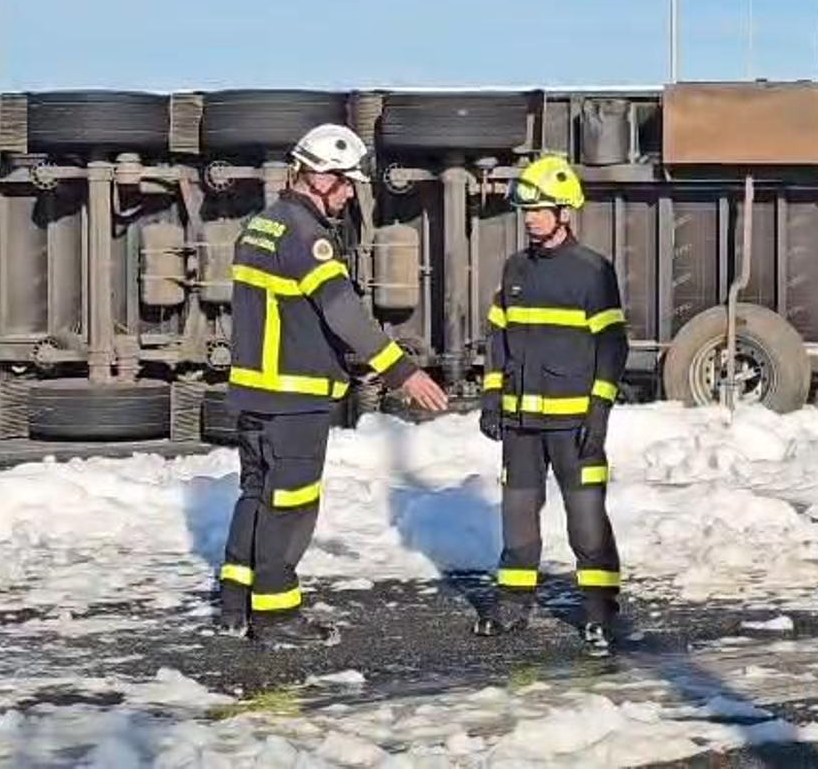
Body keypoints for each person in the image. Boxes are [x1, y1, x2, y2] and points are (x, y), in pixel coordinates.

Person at [218, 122, 449, 647]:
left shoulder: (260, 226)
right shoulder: (308, 239)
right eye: (343, 181)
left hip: (255, 393)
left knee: (255, 494)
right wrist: (401, 370)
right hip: (293, 396)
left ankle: (236, 603)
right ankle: (276, 614)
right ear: (315, 176)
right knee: (292, 501)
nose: (348, 192)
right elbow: (342, 311)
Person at [475, 154, 628, 654]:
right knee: (518, 517)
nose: (532, 218)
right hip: (521, 426)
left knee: (586, 521)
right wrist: (493, 396)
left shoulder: (593, 272)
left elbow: (612, 345)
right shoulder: (514, 269)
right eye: (527, 210)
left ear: (565, 211)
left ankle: (601, 610)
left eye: (541, 209)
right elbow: (499, 337)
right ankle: (512, 604)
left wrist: (599, 411)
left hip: (574, 426)